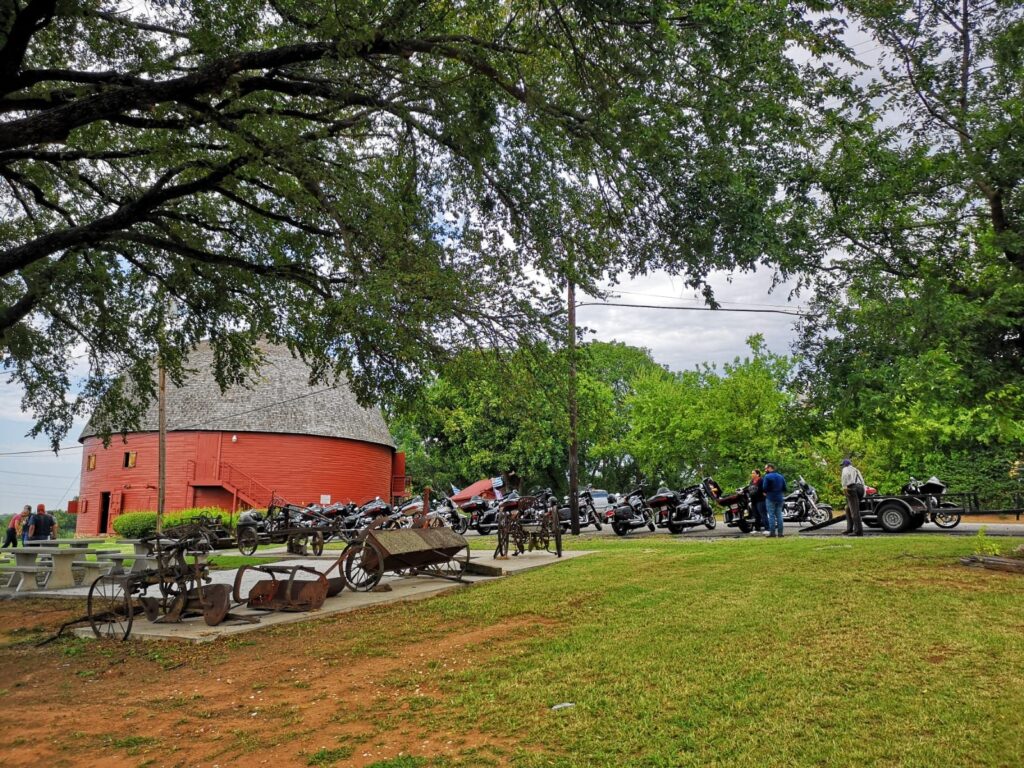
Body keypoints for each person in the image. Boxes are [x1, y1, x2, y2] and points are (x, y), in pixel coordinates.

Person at [841, 459, 866, 536]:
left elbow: (844, 476)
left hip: (852, 488)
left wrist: (844, 488)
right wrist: (863, 493)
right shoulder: (856, 470)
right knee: (847, 508)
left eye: (842, 465)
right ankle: (849, 529)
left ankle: (858, 531)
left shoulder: (845, 469)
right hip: (860, 488)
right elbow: (862, 481)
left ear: (845, 464)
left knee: (854, 511)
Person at [762, 463, 787, 538]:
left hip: (770, 498)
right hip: (780, 498)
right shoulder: (781, 476)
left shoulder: (767, 476)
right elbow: (785, 488)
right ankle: (780, 533)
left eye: (766, 468)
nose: (765, 470)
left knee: (771, 515)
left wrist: (766, 492)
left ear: (770, 468)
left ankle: (772, 533)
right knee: (779, 515)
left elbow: (764, 487)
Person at [747, 469, 767, 534]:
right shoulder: (752, 481)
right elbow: (749, 489)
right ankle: (757, 529)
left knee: (763, 514)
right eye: (752, 473)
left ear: (757, 474)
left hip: (760, 500)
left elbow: (764, 489)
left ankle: (767, 528)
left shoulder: (761, 480)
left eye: (753, 473)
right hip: (753, 500)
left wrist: (764, 493)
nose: (752, 474)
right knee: (756, 515)